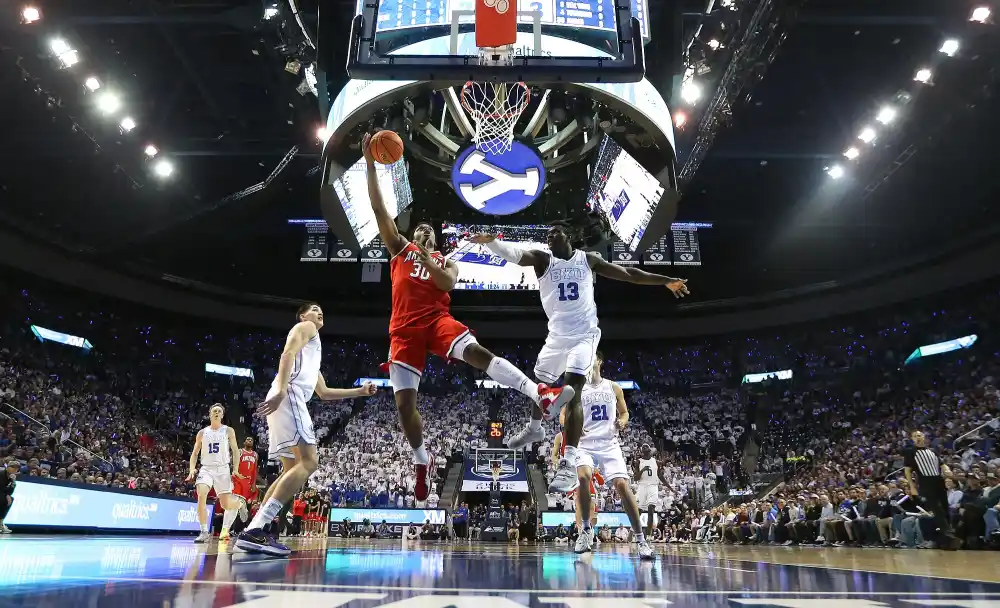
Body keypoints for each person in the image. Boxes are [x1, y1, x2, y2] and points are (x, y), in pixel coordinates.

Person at [362, 133, 572, 502]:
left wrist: (428, 257)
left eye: (429, 231)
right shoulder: (399, 249)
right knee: (404, 406)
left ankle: (537, 391)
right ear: (412, 235)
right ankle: (420, 459)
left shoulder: (447, 262)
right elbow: (380, 210)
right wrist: (369, 164)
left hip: (437, 320)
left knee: (477, 352)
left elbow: (446, 281)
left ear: (435, 240)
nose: (423, 231)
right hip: (404, 331)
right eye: (419, 229)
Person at [471, 224, 689, 512]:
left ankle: (568, 460)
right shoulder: (542, 259)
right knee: (539, 385)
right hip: (556, 337)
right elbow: (514, 254)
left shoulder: (588, 260)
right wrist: (492, 243)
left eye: (556, 232)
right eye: (547, 235)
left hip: (584, 336)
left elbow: (628, 274)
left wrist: (665, 280)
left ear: (569, 236)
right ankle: (535, 429)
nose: (550, 236)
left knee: (573, 391)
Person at [236, 302, 377, 556]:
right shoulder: (306, 327)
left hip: (287, 396)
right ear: (303, 315)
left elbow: (323, 393)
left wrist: (360, 392)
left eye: (321, 309)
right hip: (289, 394)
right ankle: (256, 529)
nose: (319, 311)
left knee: (290, 470)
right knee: (310, 462)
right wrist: (280, 389)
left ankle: (257, 528)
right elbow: (287, 352)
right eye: (314, 308)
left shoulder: (313, 355)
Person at [565, 351, 655, 558]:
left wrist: (623, 421)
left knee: (623, 485)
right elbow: (564, 416)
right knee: (583, 477)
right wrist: (572, 426)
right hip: (585, 444)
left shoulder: (613, 387)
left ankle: (641, 539)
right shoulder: (576, 389)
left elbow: (624, 413)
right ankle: (586, 530)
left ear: (599, 361)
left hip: (609, 443)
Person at [185, 404, 248, 543]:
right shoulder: (202, 433)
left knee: (226, 505)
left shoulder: (228, 430)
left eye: (219, 411)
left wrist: (235, 469)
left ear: (222, 415)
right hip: (206, 468)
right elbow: (195, 453)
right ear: (210, 414)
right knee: (201, 494)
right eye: (214, 411)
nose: (217, 412)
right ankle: (203, 531)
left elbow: (236, 451)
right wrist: (192, 468)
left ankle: (239, 503)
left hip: (222, 469)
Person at [903, 429, 961, 550]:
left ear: (924, 437)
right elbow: (907, 470)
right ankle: (949, 533)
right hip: (925, 483)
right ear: (912, 439)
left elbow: (941, 463)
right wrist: (912, 487)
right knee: (936, 508)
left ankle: (947, 539)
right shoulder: (910, 452)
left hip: (939, 481)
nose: (918, 437)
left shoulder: (933, 450)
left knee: (945, 508)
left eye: (919, 435)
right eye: (915, 436)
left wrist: (946, 469)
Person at [634, 443, 667, 539]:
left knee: (650, 511)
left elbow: (661, 476)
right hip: (642, 487)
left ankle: (648, 536)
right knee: (638, 511)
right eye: (643, 447)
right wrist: (642, 470)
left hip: (652, 486)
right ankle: (633, 532)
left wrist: (671, 489)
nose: (645, 447)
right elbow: (636, 478)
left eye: (647, 447)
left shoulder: (655, 461)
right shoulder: (638, 462)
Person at [0, 462, 17, 534]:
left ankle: (1, 523)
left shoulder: (11, 477)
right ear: (8, 467)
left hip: (2, 494)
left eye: (16, 468)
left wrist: (13, 482)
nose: (14, 469)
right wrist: (6, 495)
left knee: (10, 500)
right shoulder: (1, 474)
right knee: (3, 499)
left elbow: (11, 491)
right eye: (13, 467)